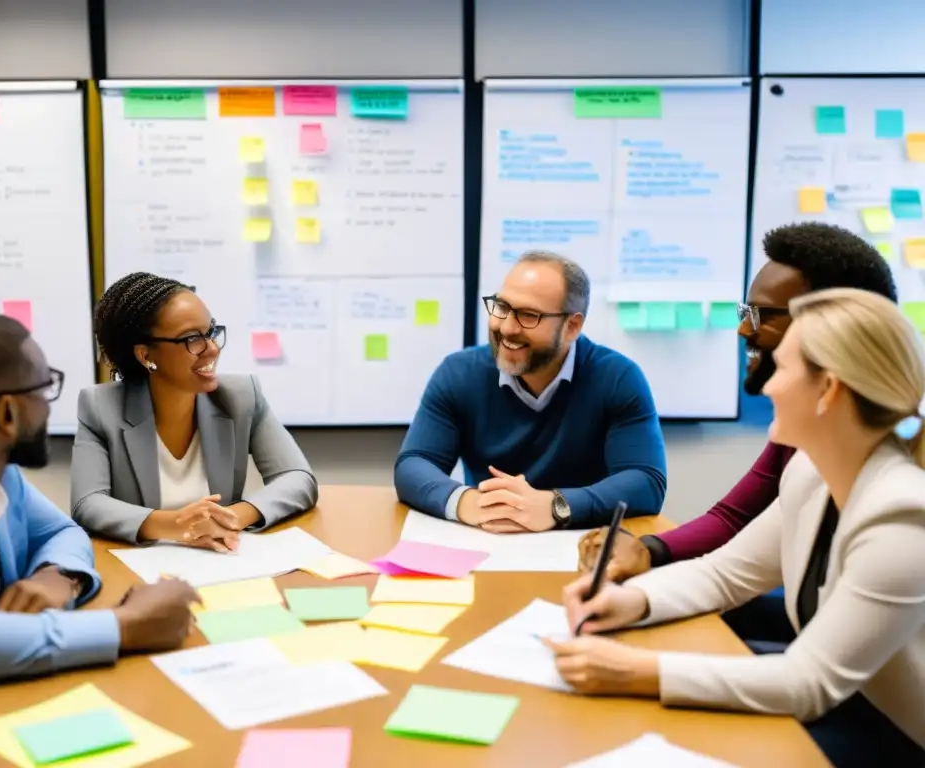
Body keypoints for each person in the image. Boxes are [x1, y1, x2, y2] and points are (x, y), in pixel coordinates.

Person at [549, 288, 925, 767]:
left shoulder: (903, 516)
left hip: (895, 739)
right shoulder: (813, 472)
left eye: (783, 369)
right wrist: (631, 601)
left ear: (828, 389)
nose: (766, 386)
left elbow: (807, 683)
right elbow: (724, 574)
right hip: (844, 710)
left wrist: (638, 671)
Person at [578, 223, 898, 597]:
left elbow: (823, 656)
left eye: (761, 314)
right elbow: (731, 538)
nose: (743, 330)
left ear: (837, 328)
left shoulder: (894, 491)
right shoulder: (805, 453)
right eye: (745, 311)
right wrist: (649, 552)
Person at [0, 313, 199, 694]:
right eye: (44, 390)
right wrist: (126, 624)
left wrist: (58, 575)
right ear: (6, 413)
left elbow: (60, 531)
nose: (48, 406)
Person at [394, 251, 666, 531]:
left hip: (580, 545)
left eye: (528, 315)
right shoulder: (459, 374)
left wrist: (554, 506)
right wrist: (468, 502)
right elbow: (413, 464)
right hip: (487, 538)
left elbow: (646, 481)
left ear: (571, 327)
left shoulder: (617, 378)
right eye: (501, 307)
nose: (507, 328)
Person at [72, 272, 317, 548]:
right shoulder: (100, 408)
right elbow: (87, 504)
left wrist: (231, 517)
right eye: (192, 339)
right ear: (145, 355)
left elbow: (298, 478)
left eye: (211, 332)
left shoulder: (241, 396)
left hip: (221, 563)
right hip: (143, 570)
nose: (212, 348)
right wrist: (177, 525)